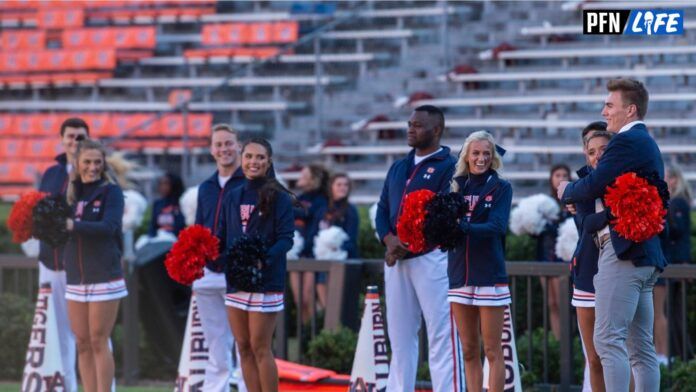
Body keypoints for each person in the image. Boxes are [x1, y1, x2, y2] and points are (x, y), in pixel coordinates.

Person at [558, 78, 665, 391]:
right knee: (641, 349)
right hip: (643, 255)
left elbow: (593, 183)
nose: (604, 111)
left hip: (622, 254)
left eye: (610, 105)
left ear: (629, 110)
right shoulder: (646, 142)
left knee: (607, 341)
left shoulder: (626, 141)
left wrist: (567, 190)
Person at [375, 105, 463, 391]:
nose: (410, 129)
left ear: (436, 130)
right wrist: (389, 241)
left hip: (431, 258)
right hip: (396, 258)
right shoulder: (399, 166)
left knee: (442, 336)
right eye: (409, 123)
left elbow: (443, 214)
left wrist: (407, 245)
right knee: (399, 338)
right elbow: (382, 209)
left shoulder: (449, 165)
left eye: (418, 125)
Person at [220, 138, 294, 391]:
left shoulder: (280, 197)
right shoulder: (232, 195)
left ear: (269, 162)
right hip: (237, 280)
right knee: (243, 346)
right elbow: (222, 236)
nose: (254, 162)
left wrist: (263, 260)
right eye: (249, 156)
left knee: (260, 346)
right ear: (242, 159)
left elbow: (286, 239)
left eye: (260, 157)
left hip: (265, 280)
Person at [447, 131, 512, 392]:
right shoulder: (456, 186)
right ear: (467, 156)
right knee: (469, 350)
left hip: (489, 275)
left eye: (486, 153)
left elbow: (496, 226)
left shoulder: (501, 187)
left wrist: (462, 227)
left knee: (493, 350)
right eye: (476, 153)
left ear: (493, 157)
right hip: (459, 274)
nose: (481, 158)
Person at [63, 139, 126, 392]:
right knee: (82, 342)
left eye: (97, 162)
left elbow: (108, 228)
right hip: (76, 276)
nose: (92, 167)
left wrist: (72, 226)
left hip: (104, 275)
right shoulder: (71, 193)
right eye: (87, 162)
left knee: (99, 340)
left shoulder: (111, 191)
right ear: (77, 163)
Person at [191, 124, 247, 392]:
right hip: (208, 273)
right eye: (219, 144)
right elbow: (198, 228)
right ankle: (216, 388)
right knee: (215, 340)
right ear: (212, 150)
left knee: (245, 341)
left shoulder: (250, 183)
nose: (224, 149)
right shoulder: (206, 187)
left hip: (239, 272)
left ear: (238, 146)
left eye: (228, 143)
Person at [35, 117, 89, 392]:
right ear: (62, 138)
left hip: (80, 263)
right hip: (50, 260)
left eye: (80, 137)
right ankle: (67, 387)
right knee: (59, 334)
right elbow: (38, 209)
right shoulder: (51, 173)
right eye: (70, 136)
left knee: (88, 335)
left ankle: (102, 386)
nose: (74, 141)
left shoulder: (93, 172)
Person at [571, 130, 613, 392]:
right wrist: (619, 209)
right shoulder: (581, 185)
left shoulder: (629, 179)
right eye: (591, 151)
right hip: (587, 274)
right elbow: (587, 223)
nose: (598, 156)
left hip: (620, 273)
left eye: (604, 149)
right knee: (594, 358)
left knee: (622, 355)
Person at [660, 164, 693, 360]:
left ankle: (680, 355)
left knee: (675, 312)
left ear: (673, 179)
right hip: (676, 262)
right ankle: (680, 355)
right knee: (673, 311)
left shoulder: (678, 202)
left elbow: (678, 231)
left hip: (677, 263)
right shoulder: (677, 201)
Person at [312, 173, 360, 307]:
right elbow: (314, 234)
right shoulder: (322, 210)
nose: (342, 188)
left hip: (344, 261)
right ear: (331, 187)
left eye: (346, 185)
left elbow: (351, 239)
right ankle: (329, 327)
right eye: (339, 184)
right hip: (322, 262)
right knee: (325, 302)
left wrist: (337, 248)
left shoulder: (351, 210)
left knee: (341, 305)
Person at [290, 164, 329, 322]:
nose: (300, 176)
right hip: (296, 253)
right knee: (299, 300)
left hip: (311, 254)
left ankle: (315, 332)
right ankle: (305, 335)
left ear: (312, 179)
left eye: (304, 174)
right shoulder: (299, 198)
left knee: (307, 297)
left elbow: (308, 216)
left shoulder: (320, 200)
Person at [537, 163, 571, 340]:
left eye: (564, 175)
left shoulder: (573, 203)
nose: (560, 178)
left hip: (563, 261)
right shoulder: (544, 203)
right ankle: (558, 343)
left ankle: (568, 343)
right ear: (551, 179)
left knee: (562, 303)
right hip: (544, 257)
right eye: (557, 175)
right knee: (551, 304)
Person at [148, 172, 185, 237]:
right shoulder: (157, 204)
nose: (163, 187)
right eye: (161, 184)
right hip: (160, 241)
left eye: (166, 184)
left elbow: (182, 226)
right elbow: (152, 227)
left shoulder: (182, 202)